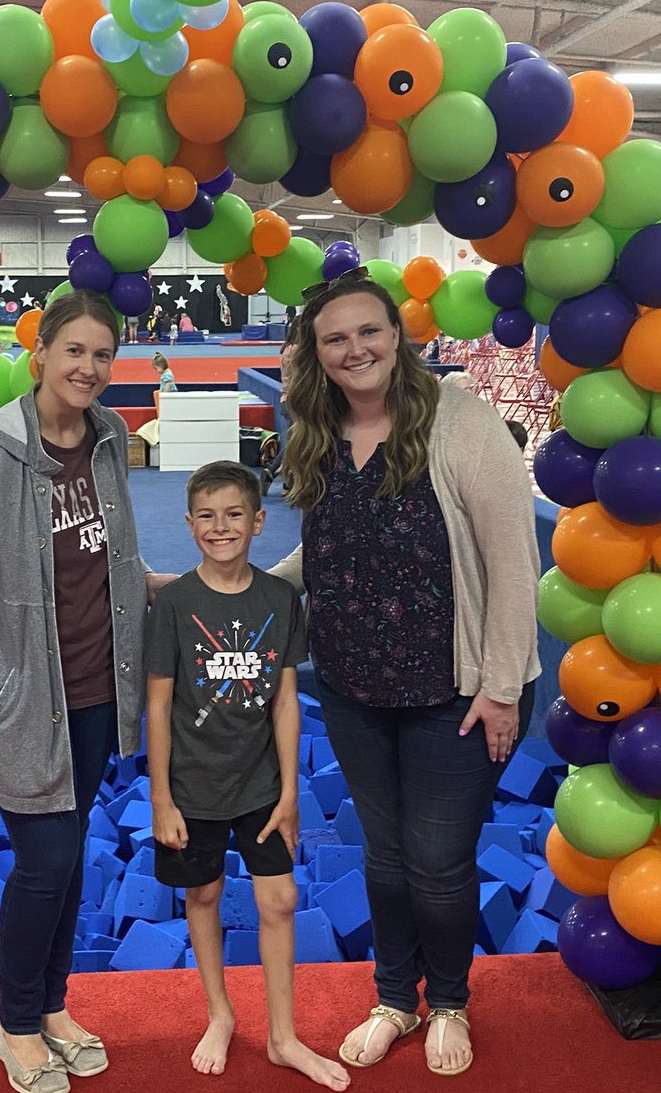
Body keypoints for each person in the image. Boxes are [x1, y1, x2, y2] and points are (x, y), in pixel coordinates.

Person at [270, 269, 540, 1078]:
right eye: (335, 339)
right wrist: (228, 588)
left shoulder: (461, 424)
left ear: (397, 335)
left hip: (453, 691)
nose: (356, 349)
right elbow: (319, 554)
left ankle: (449, 1001)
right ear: (317, 355)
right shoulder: (315, 431)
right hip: (354, 685)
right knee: (383, 857)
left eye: (368, 331)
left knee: (438, 859)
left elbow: (513, 564)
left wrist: (499, 686)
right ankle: (395, 997)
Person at [0, 290, 169, 1093]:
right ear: (40, 355)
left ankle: (52, 1007)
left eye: (103, 355)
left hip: (101, 691)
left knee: (65, 863)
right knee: (47, 859)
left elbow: (113, 560)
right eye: (75, 352)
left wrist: (194, 585)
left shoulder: (108, 438)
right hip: (25, 699)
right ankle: (16, 1024)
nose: (89, 369)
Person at [146, 461, 350, 1091]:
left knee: (280, 900)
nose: (220, 527)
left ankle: (283, 1035)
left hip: (261, 785)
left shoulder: (280, 600)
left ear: (259, 522)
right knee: (202, 894)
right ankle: (220, 1012)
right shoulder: (175, 604)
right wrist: (161, 798)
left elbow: (287, 700)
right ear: (189, 524)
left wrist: (291, 791)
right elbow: (157, 705)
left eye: (234, 514)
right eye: (206, 516)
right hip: (193, 788)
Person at [261, 323, 297, 496]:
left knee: (296, 441)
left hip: (287, 399)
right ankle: (272, 470)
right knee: (298, 441)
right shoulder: (299, 350)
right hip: (297, 401)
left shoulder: (287, 349)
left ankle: (288, 483)